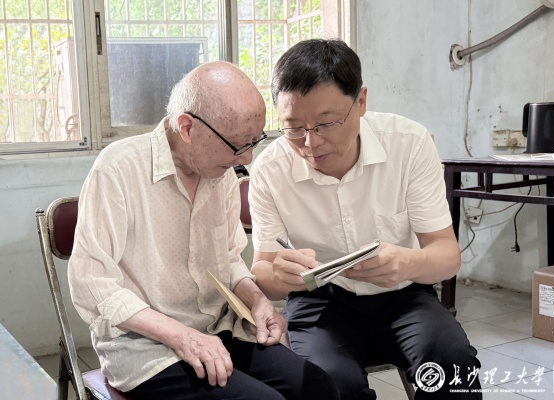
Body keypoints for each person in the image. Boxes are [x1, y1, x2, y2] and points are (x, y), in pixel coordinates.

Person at [68, 61, 339, 400]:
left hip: (219, 328)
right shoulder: (119, 169)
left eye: (254, 142)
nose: (248, 158)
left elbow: (228, 259)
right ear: (187, 127)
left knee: (318, 388)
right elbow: (91, 283)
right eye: (238, 145)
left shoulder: (220, 173)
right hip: (147, 347)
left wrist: (257, 301)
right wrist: (182, 337)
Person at [249, 39, 482, 399]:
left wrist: (408, 263)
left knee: (453, 365)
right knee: (328, 384)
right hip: (319, 301)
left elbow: (447, 255)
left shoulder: (408, 144)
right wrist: (279, 277)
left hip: (404, 294)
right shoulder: (270, 169)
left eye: (326, 123)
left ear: (360, 102)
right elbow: (262, 270)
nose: (310, 143)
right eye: (293, 127)